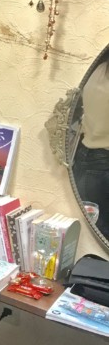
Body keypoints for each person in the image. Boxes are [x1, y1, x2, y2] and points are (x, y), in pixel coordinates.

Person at [72, 57, 109, 240]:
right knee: (100, 234)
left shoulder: (97, 68)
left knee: (93, 233)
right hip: (101, 165)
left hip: (85, 155)